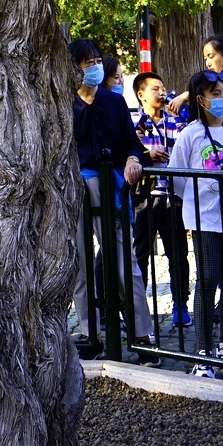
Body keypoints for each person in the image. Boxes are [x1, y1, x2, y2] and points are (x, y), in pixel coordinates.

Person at [69, 40, 153, 353]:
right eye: (86, 63)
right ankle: (91, 333)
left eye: (96, 61)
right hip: (75, 189)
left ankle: (141, 335)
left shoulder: (114, 102)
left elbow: (132, 144)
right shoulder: (63, 104)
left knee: (124, 263)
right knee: (80, 267)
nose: (94, 68)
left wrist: (133, 159)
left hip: (111, 188)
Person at [170, 70, 223, 374]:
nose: (222, 99)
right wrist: (197, 201)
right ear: (200, 99)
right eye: (215, 94)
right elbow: (176, 178)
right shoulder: (189, 134)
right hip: (204, 218)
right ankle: (203, 351)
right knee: (207, 279)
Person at [131, 72, 191, 328]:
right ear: (141, 94)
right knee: (140, 255)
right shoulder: (133, 121)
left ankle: (181, 305)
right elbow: (127, 149)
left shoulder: (175, 122)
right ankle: (139, 310)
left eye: (163, 87)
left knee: (178, 254)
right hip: (143, 197)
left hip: (172, 197)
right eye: (155, 88)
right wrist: (147, 154)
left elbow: (186, 147)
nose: (162, 92)